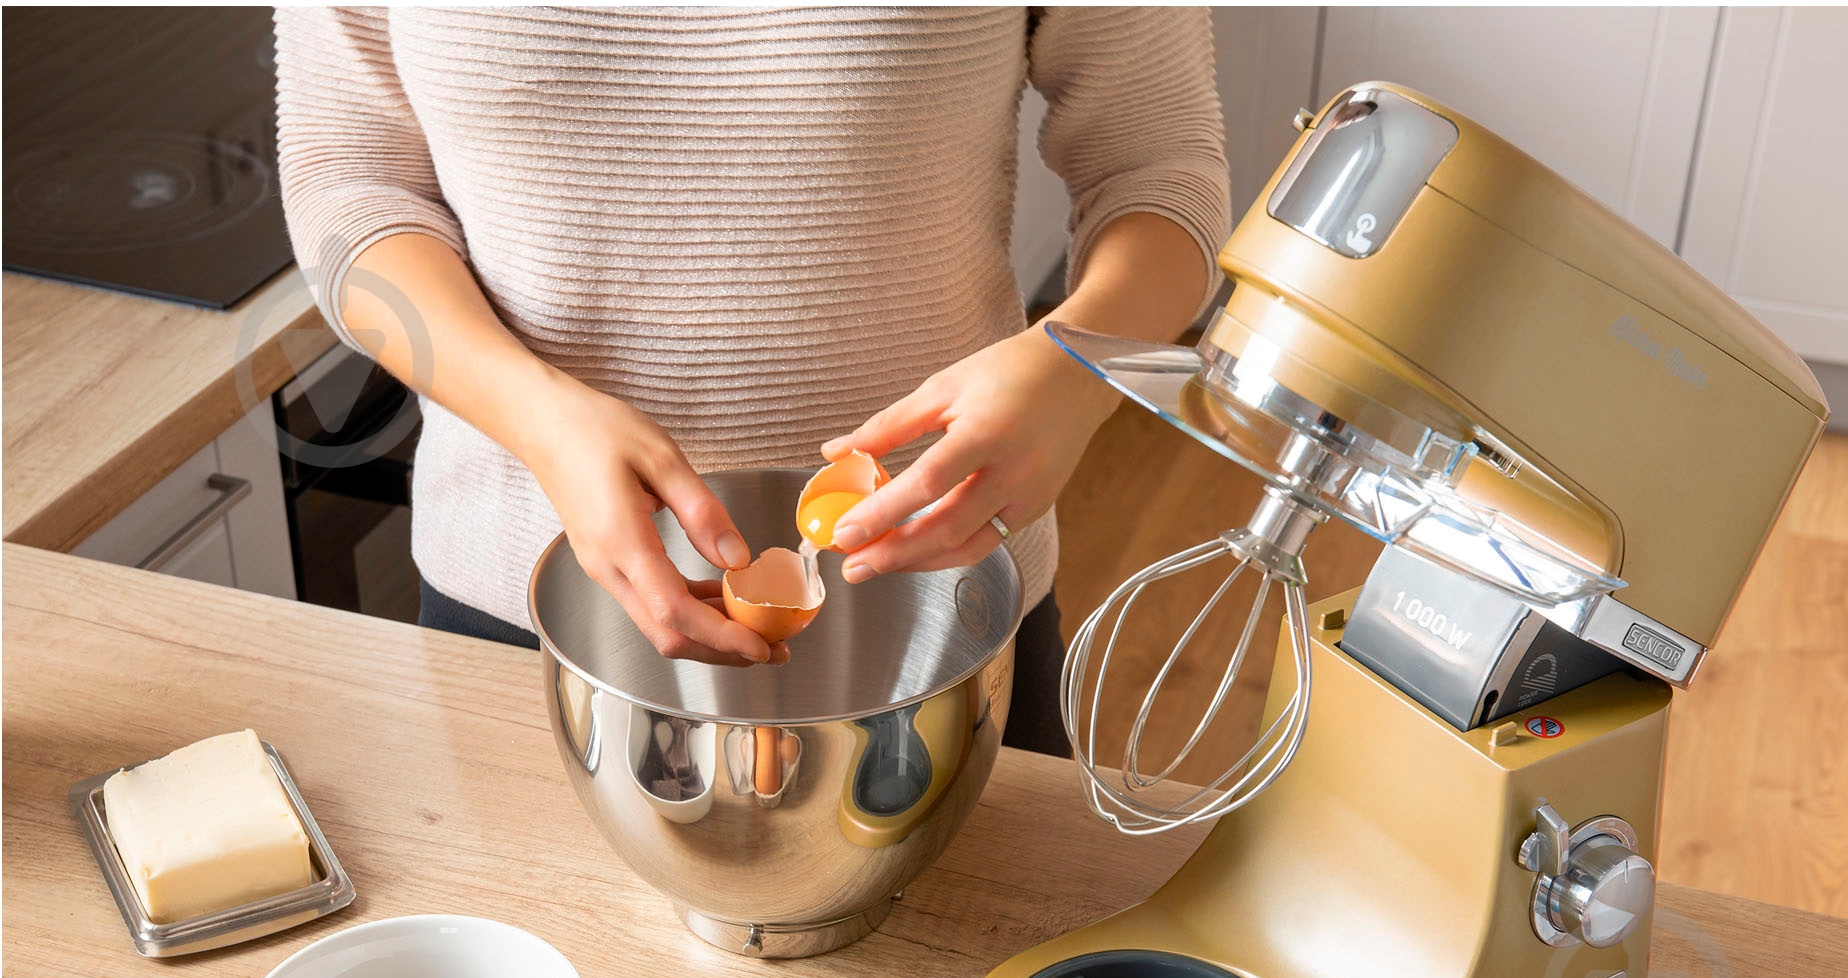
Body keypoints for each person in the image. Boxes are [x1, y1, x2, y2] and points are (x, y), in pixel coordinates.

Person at [274, 7, 1228, 755]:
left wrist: (1076, 367)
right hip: (523, 613)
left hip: (942, 609)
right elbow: (349, 189)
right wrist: (533, 415)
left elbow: (1161, 168)